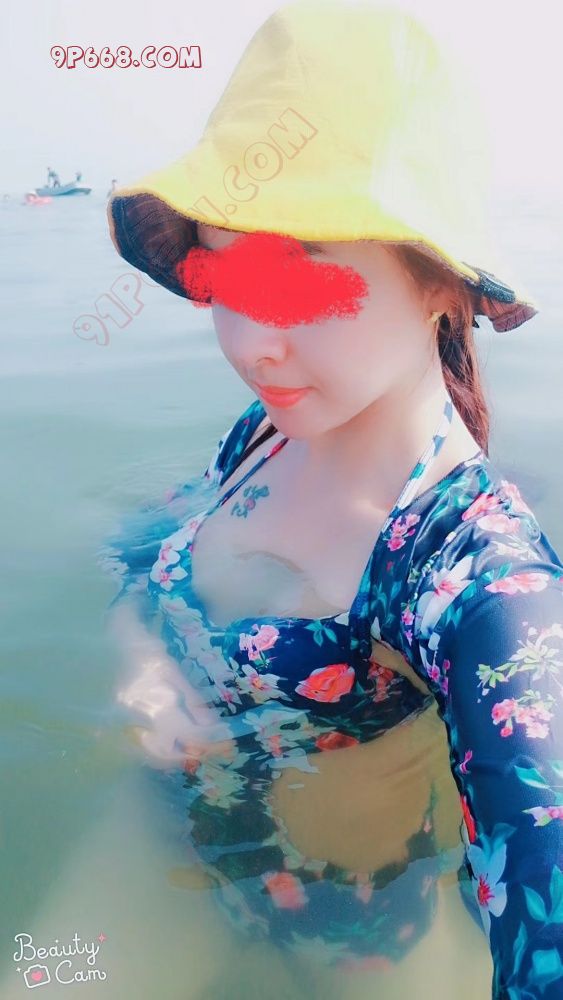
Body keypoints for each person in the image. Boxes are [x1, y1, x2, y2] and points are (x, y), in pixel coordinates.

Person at [99, 3, 563, 998]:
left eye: (299, 283)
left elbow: (543, 869)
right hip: (165, 861)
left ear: (439, 283)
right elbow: (145, 543)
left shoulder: (473, 577)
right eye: (221, 275)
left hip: (364, 944)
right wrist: (138, 656)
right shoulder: (265, 434)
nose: (248, 342)